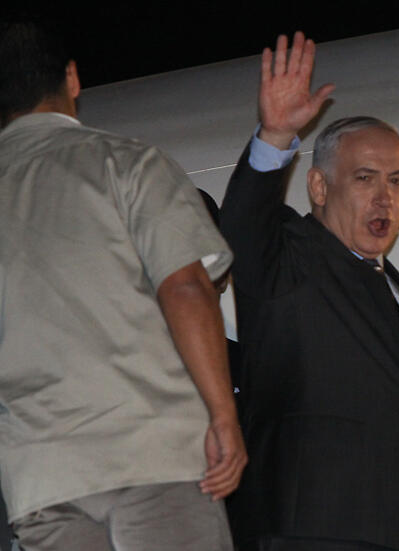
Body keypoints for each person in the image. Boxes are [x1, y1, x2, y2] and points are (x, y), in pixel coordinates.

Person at [0, 21, 245, 551]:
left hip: (41, 476)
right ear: (71, 78)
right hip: (153, 455)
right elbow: (185, 288)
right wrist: (223, 415)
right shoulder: (126, 162)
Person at [220, 32, 399, 551]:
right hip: (315, 527)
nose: (385, 198)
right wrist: (275, 134)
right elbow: (242, 228)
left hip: (396, 531)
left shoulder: (389, 285)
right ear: (320, 188)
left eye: (396, 181)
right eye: (365, 178)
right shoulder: (294, 260)